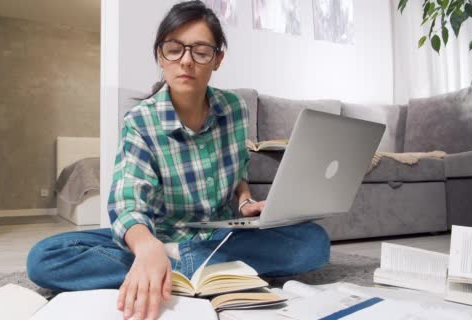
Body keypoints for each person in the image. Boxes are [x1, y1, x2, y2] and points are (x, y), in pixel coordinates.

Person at [26, 1, 330, 320]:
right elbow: (128, 203)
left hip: (221, 235)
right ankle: (200, 269)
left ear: (217, 59)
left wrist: (245, 203)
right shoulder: (139, 122)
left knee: (314, 242)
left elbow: (238, 174)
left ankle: (171, 271)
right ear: (161, 55)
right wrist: (147, 248)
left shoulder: (235, 110)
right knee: (45, 258)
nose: (186, 60)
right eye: (174, 48)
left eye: (200, 51)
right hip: (159, 235)